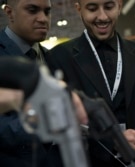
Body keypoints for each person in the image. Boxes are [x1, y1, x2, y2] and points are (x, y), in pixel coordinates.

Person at [45, 0, 135, 166]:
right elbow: (59, 122)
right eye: (92, 8)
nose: (102, 16)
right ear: (79, 9)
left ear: (119, 6)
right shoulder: (58, 58)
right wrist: (111, 140)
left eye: (109, 7)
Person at [0, 0, 87, 166]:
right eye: (32, 10)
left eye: (47, 12)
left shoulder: (52, 58)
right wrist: (42, 119)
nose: (43, 18)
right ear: (10, 13)